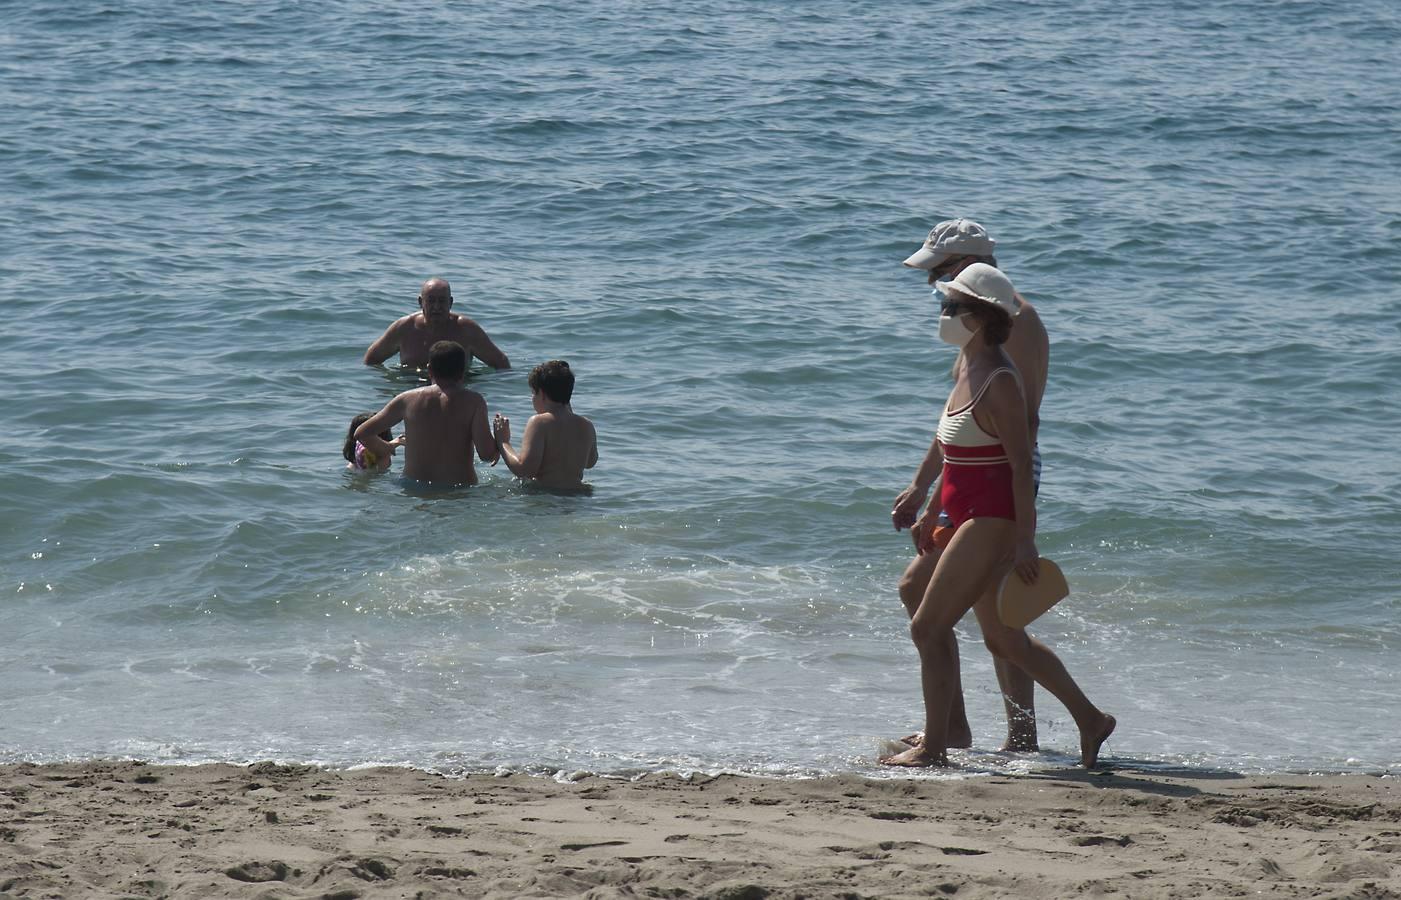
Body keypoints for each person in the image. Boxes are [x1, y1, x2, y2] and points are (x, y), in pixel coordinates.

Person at [879, 264, 1114, 768]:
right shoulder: (967, 366)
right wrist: (928, 501)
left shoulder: (1002, 381)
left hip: (992, 518)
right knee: (1000, 636)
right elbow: (947, 442)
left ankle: (937, 746)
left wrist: (1024, 539)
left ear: (981, 317)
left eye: (951, 308)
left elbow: (1020, 464)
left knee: (927, 626)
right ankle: (1092, 720)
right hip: (961, 513)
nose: (943, 315)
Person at [893, 218, 1048, 752]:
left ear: (965, 265)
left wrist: (1016, 525)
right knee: (919, 590)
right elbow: (958, 420)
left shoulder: (1015, 323)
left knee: (997, 617)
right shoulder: (971, 323)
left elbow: (1011, 431)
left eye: (936, 272)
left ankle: (1022, 736)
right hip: (969, 474)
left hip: (1001, 476)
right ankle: (950, 725)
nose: (930, 284)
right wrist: (925, 491)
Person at [355, 341, 498, 486]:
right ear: (463, 370)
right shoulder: (474, 402)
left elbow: (362, 433)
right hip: (458, 490)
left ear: (429, 369)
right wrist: (501, 440)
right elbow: (486, 455)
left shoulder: (407, 399)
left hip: (413, 487)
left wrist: (388, 447)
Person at [492, 360, 598, 490]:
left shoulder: (539, 423)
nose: (532, 398)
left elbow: (524, 470)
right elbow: (590, 463)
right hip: (577, 497)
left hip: (547, 497)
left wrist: (503, 442)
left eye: (533, 393)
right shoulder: (586, 425)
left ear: (541, 394)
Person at [363, 277, 511, 370]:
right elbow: (371, 360)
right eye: (431, 301)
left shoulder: (466, 330)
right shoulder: (404, 328)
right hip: (412, 388)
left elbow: (501, 363)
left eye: (442, 301)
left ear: (451, 303)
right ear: (421, 302)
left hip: (455, 391)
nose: (436, 307)